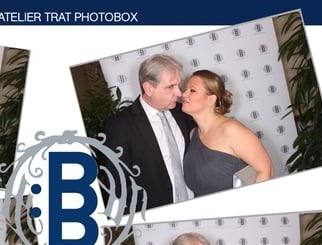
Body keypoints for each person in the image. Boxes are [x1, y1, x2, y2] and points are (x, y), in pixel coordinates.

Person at [101, 54, 197, 213]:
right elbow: (119, 184)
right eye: (170, 87)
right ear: (148, 88)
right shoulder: (120, 125)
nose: (179, 93)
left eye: (178, 85)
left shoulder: (183, 113)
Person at [181, 69, 274, 197]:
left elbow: (266, 171)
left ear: (211, 99)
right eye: (185, 89)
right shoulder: (193, 134)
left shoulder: (231, 131)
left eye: (192, 90)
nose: (184, 94)